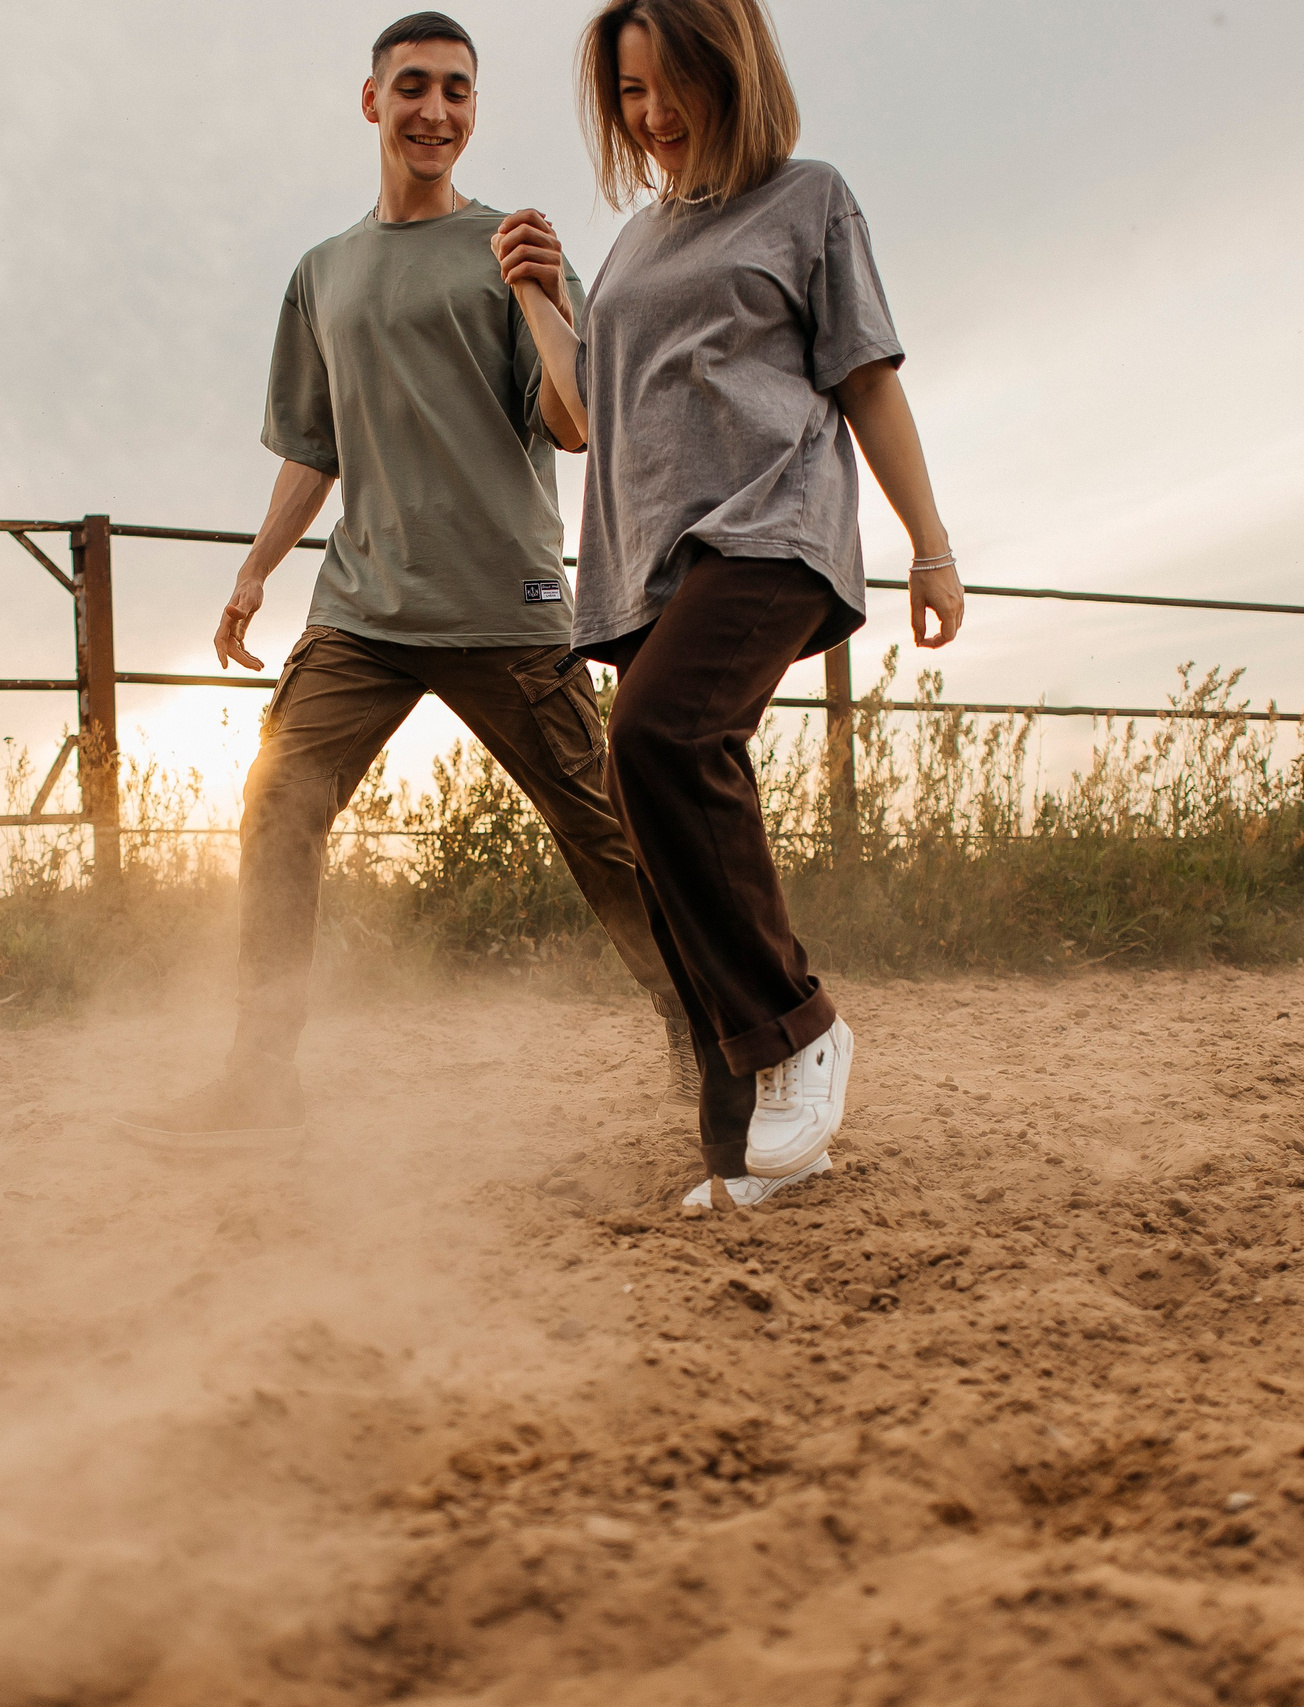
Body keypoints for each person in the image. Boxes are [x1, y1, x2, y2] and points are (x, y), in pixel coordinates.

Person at [118, 10, 691, 1144]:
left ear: (473, 112)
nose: (438, 110)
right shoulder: (321, 274)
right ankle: (261, 1079)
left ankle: (698, 1019)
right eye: (416, 86)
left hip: (505, 605)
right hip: (362, 610)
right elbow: (314, 445)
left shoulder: (514, 246)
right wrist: (253, 573)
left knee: (605, 834)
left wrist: (539, 295)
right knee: (278, 803)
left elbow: (577, 426)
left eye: (460, 92)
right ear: (372, 100)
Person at [495, 0, 964, 1208]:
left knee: (662, 736)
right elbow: (584, 416)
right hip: (652, 555)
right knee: (658, 823)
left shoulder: (808, 199)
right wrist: (544, 300)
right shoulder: (638, 242)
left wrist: (930, 545)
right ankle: (745, 1158)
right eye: (629, 96)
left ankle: (800, 1030)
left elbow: (864, 376)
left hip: (772, 522)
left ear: (730, 69)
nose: (651, 117)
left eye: (669, 86)